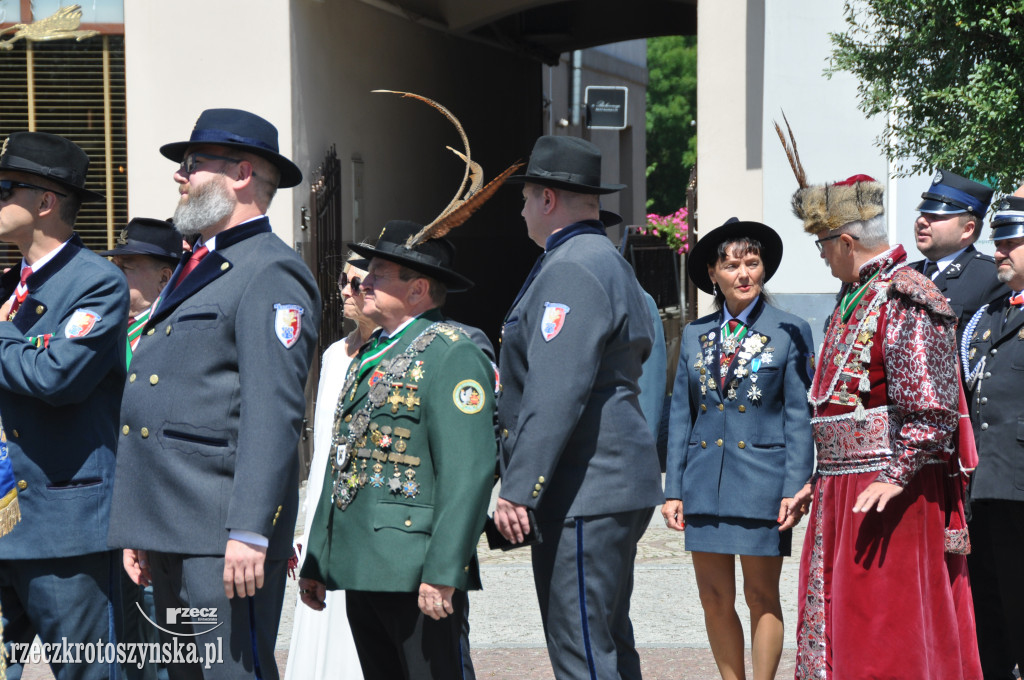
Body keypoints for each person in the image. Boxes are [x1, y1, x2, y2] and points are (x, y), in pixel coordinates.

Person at [108, 108, 321, 680]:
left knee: (233, 673)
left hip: (223, 529)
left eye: (194, 163)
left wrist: (251, 530)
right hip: (173, 520)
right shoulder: (196, 264)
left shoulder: (271, 270)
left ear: (243, 173)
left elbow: (273, 412)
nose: (180, 175)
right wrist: (143, 526)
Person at [786, 172, 981, 678]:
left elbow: (931, 409)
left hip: (891, 494)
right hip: (842, 488)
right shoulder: (856, 294)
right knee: (842, 626)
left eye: (823, 245)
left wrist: (893, 476)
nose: (822, 256)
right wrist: (817, 478)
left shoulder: (905, 296)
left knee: (884, 633)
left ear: (846, 241)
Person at [493, 135, 663, 680]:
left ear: (547, 200)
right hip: (608, 479)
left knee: (583, 650)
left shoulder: (571, 266)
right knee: (607, 640)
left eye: (524, 198)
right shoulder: (603, 259)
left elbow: (555, 389)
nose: (520, 211)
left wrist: (519, 486)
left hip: (586, 484)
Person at [298, 220, 496, 680]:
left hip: (413, 570)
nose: (364, 281)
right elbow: (340, 458)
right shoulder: (374, 352)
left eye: (380, 273)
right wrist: (318, 560)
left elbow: (468, 473)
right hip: (361, 562)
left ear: (418, 289)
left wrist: (445, 570)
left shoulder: (451, 353)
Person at [0, 131, 129, 680]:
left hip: (61, 528)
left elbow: (56, 378)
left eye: (4, 187)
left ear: (45, 202)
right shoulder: (8, 283)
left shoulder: (96, 283)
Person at [662, 218, 814, 680]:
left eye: (753, 262)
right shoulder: (694, 334)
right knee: (713, 597)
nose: (744, 273)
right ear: (713, 273)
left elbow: (799, 415)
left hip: (764, 484)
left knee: (761, 596)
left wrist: (797, 484)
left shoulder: (790, 329)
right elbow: (681, 415)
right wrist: (674, 488)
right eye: (732, 265)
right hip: (704, 482)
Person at [284, 254, 370, 680]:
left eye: (357, 283)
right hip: (322, 508)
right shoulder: (335, 354)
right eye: (342, 280)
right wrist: (307, 528)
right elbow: (321, 452)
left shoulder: (391, 355)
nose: (345, 291)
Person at [961, 195, 1024, 678]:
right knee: (991, 613)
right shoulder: (990, 312)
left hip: (1020, 488)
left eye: (1010, 242)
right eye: (997, 241)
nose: (998, 251)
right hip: (984, 486)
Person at [910, 169, 1003, 343]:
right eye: (922, 214)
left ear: (967, 229)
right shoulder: (905, 273)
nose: (922, 221)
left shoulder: (990, 277)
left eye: (935, 216)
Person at [101, 217, 183, 367]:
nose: (113, 275)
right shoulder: (101, 319)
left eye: (125, 268)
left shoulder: (177, 330)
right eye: (113, 266)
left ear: (164, 279)